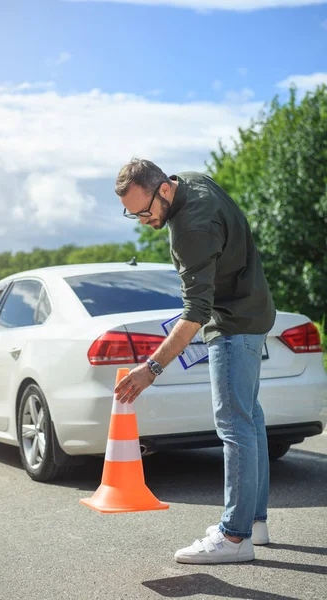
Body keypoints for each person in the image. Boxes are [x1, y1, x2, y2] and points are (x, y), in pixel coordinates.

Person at [114, 158, 276, 564]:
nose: (143, 220)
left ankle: (234, 538)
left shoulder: (190, 229)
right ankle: (253, 522)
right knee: (250, 419)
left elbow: (195, 312)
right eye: (133, 214)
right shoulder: (192, 180)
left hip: (233, 324)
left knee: (234, 425)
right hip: (254, 310)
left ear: (164, 190)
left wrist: (151, 368)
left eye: (145, 211)